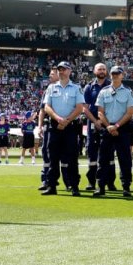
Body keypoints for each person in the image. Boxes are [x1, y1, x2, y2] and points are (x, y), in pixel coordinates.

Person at [42, 61, 86, 196]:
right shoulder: (51, 88)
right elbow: (46, 107)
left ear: (70, 71)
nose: (61, 71)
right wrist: (58, 118)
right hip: (54, 126)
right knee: (53, 158)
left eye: (64, 69)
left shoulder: (76, 88)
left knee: (72, 158)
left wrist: (66, 121)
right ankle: (52, 186)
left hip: (70, 127)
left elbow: (80, 108)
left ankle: (74, 186)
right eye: (59, 69)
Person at [95, 65, 133, 197]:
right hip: (107, 128)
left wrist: (117, 126)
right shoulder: (103, 91)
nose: (115, 76)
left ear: (122, 75)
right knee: (103, 159)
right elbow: (100, 112)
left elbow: (130, 113)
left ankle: (126, 187)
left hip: (122, 129)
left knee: (125, 159)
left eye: (118, 73)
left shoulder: (128, 92)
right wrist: (108, 126)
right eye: (113, 73)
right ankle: (100, 186)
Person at [82, 63, 110, 191]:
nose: (102, 71)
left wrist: (104, 122)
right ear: (94, 71)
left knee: (108, 155)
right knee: (92, 154)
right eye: (99, 69)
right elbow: (85, 108)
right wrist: (95, 121)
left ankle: (109, 182)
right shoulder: (89, 87)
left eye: (104, 69)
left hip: (108, 123)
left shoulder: (111, 86)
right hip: (93, 123)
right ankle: (91, 182)